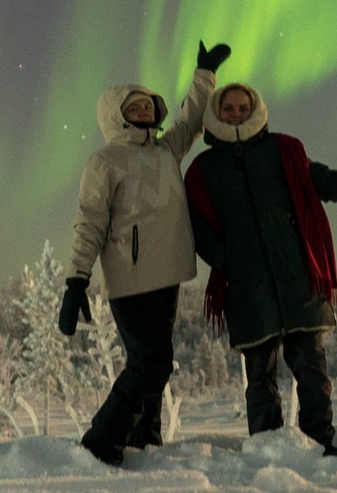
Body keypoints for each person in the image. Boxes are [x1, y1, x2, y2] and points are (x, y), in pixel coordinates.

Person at [184, 82, 337, 456]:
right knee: (259, 376)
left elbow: (323, 180)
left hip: (297, 279)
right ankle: (266, 448)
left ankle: (320, 440)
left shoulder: (283, 150)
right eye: (229, 108)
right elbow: (193, 223)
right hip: (246, 286)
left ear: (255, 110)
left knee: (311, 368)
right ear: (216, 113)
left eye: (243, 107)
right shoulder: (204, 169)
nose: (237, 114)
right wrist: (224, 258)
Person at [57, 40, 231, 466]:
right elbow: (90, 220)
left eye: (148, 107)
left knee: (153, 363)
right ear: (116, 116)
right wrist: (76, 280)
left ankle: (145, 442)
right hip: (130, 279)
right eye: (134, 109)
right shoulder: (105, 161)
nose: (144, 113)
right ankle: (101, 441)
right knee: (152, 363)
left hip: (166, 274)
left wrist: (204, 75)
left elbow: (190, 119)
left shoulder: (166, 150)